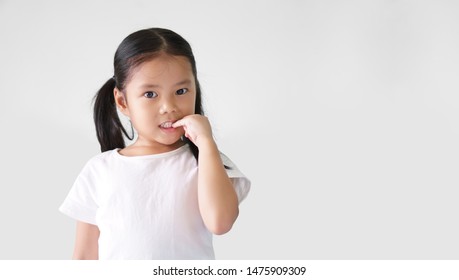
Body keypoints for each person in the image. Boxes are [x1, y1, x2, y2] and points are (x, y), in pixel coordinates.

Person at [59, 28, 250, 260]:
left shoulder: (206, 161)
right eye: (150, 94)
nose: (168, 106)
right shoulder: (100, 170)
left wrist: (207, 144)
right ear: (122, 101)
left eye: (181, 91)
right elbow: (85, 256)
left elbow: (220, 222)